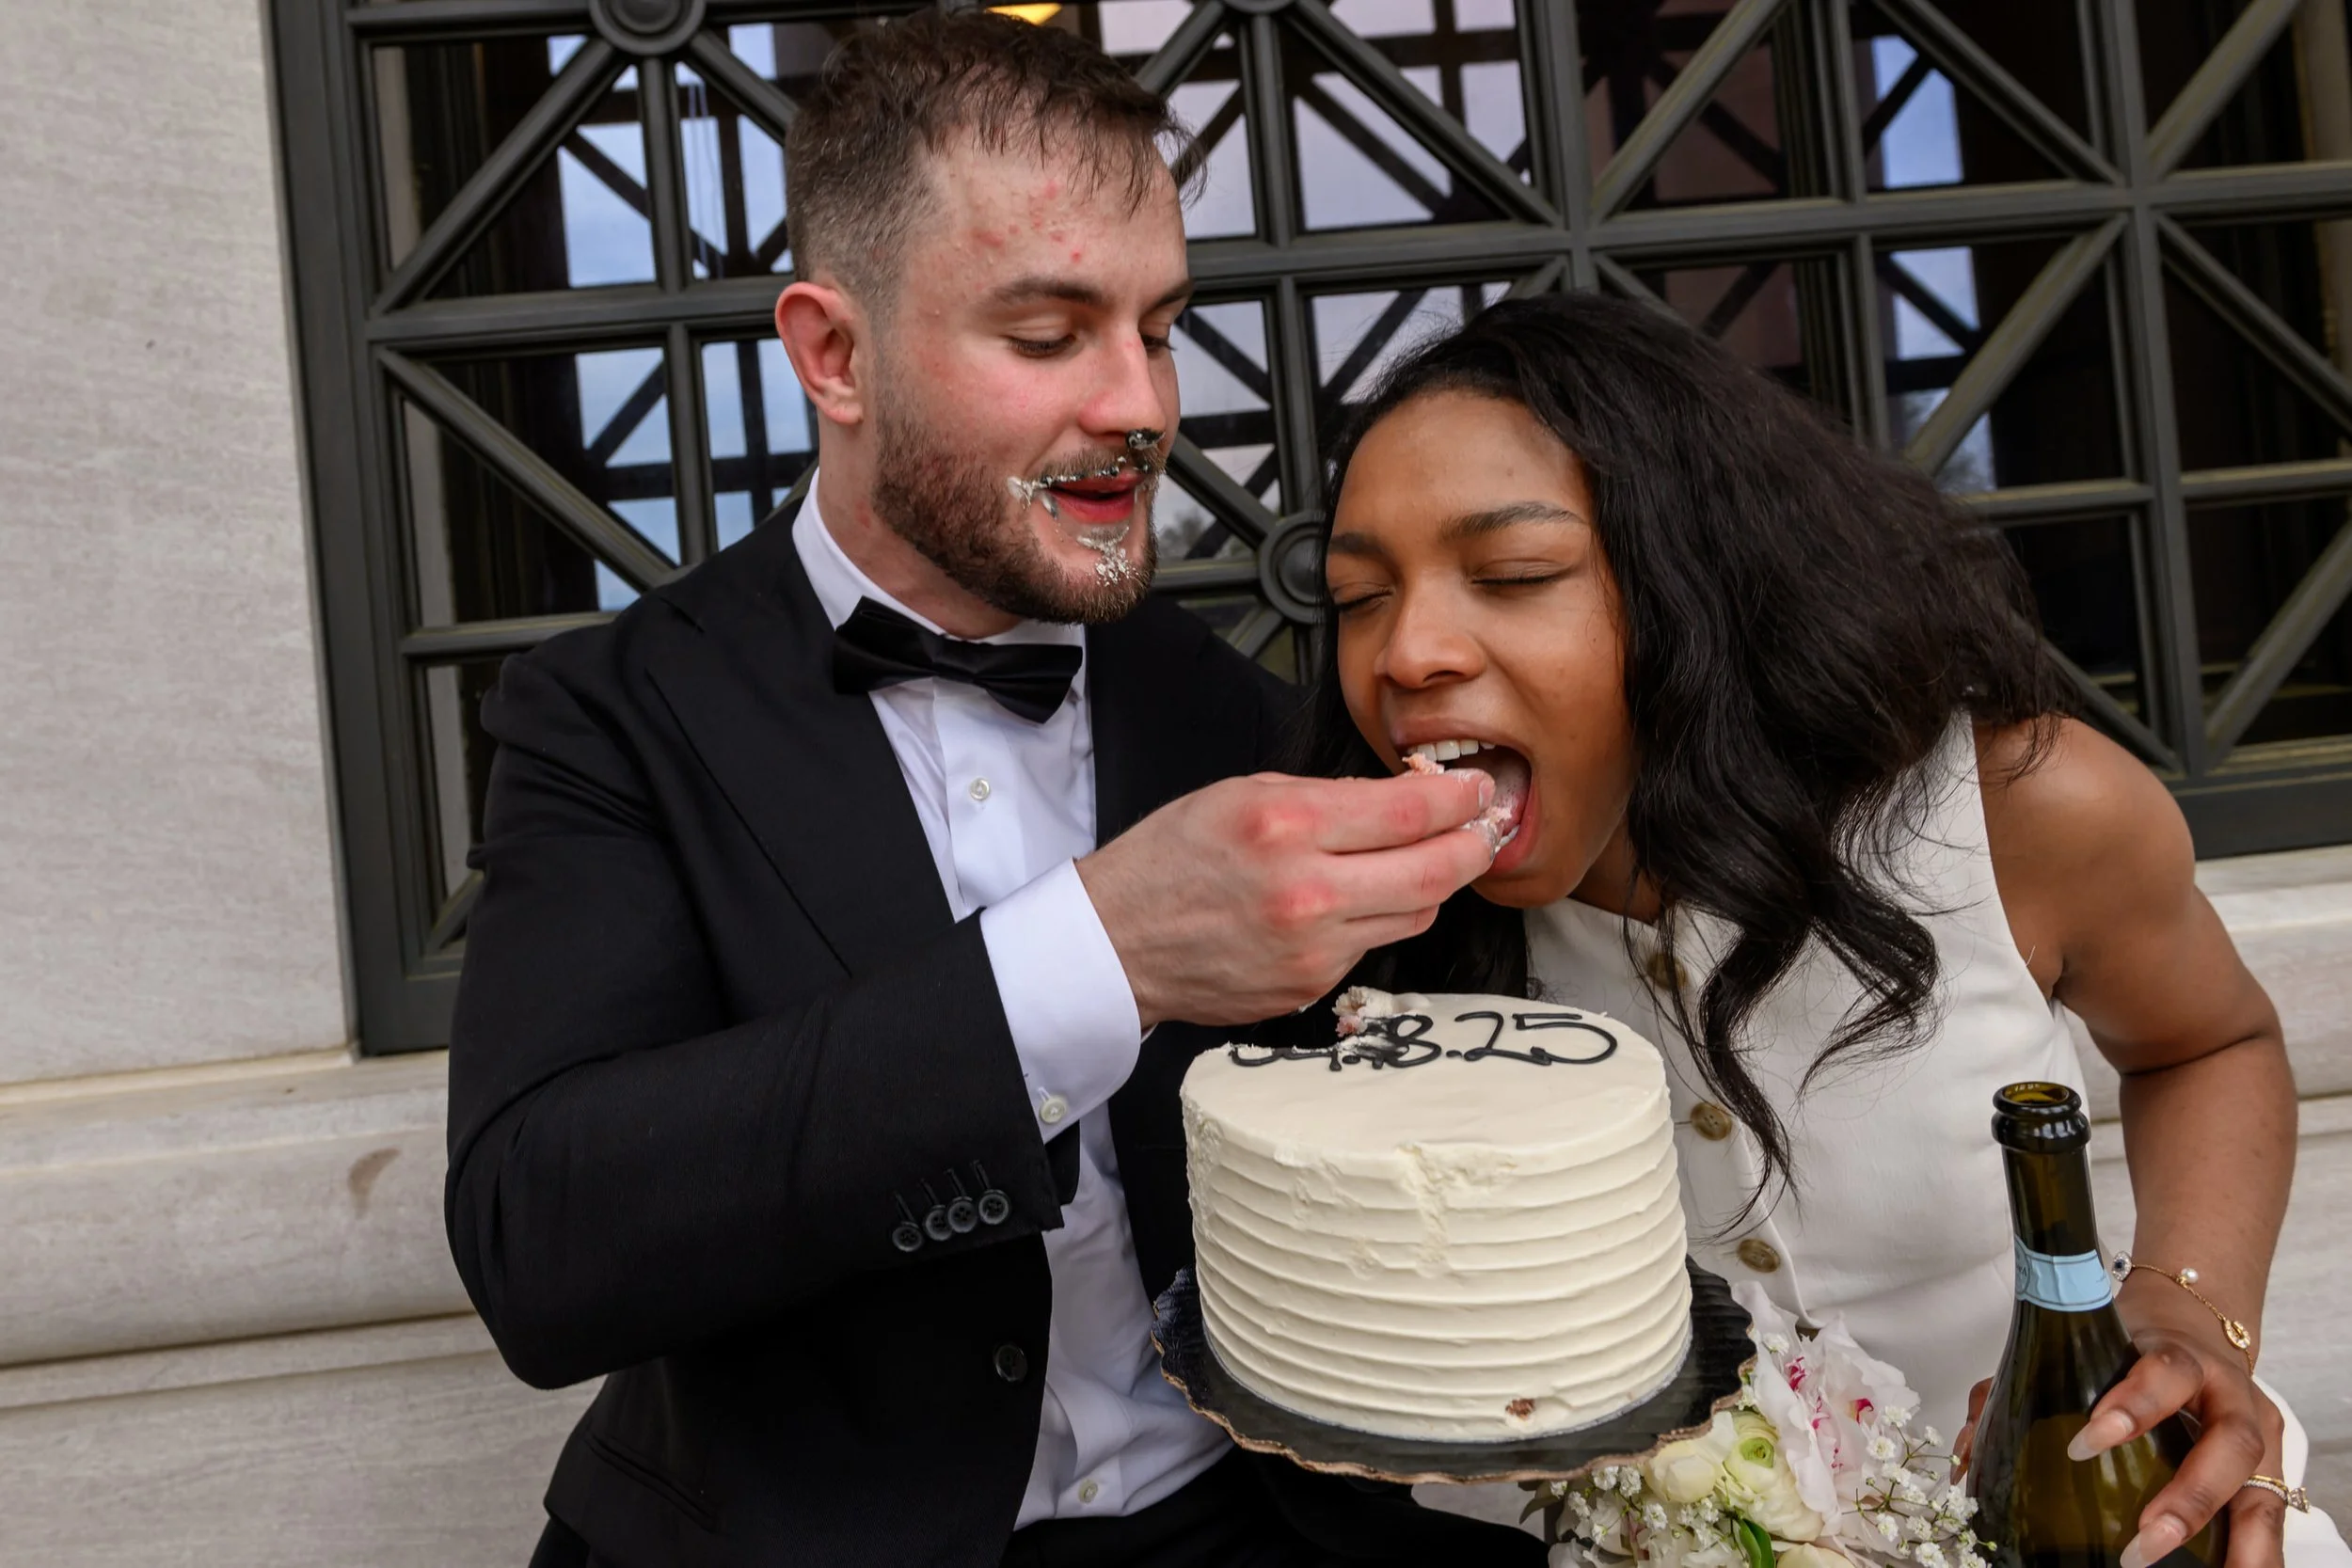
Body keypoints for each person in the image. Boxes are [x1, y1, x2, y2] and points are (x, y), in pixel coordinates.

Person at [442, 10, 1544, 1566]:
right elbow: (539, 1245)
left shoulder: (1236, 710)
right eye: (1048, 336)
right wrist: (1102, 954)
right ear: (835, 352)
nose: (1139, 406)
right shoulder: (610, 714)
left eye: (1158, 328)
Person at [1301, 292, 2351, 1568]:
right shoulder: (1372, 957)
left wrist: (2188, 1312)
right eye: (1358, 596)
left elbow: (2212, 1042)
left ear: (1699, 578)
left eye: (1514, 575)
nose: (1405, 651)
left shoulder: (2016, 811)